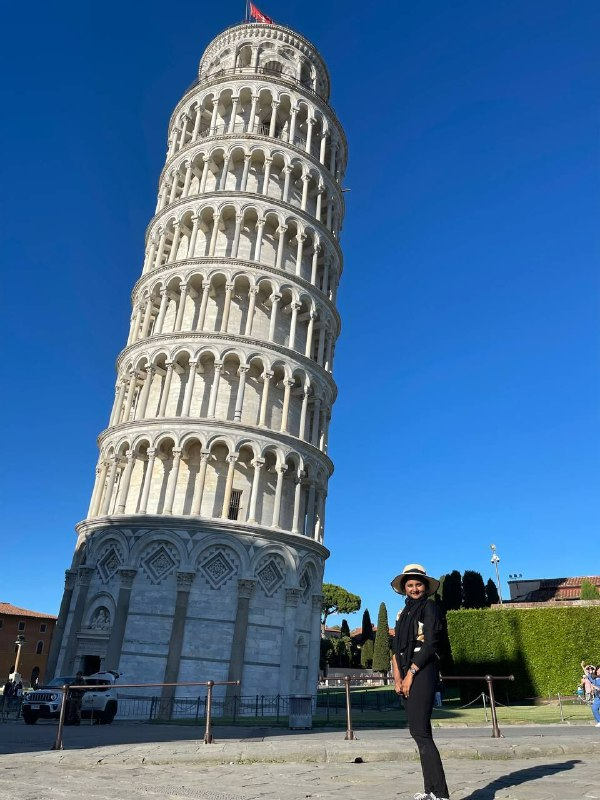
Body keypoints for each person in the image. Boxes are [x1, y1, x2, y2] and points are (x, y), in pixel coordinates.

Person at [392, 564, 449, 800]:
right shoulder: (403, 614)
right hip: (405, 672)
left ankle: (440, 793)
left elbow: (430, 644)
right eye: (410, 585)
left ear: (425, 587)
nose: (414, 589)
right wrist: (397, 677)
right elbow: (395, 648)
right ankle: (430, 791)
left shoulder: (430, 608)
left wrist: (410, 674)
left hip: (422, 671)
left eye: (418, 584)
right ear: (404, 589)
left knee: (421, 732)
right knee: (419, 733)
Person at [581, 661, 600, 726]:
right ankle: (599, 721)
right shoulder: (593, 677)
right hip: (598, 697)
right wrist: (582, 666)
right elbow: (587, 673)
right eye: (598, 670)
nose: (598, 671)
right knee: (594, 708)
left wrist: (596, 687)